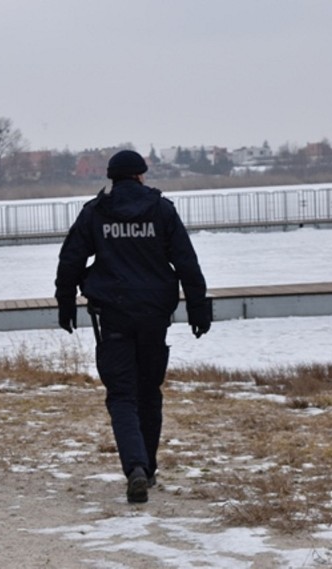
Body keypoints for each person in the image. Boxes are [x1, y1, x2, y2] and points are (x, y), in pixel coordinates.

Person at [54, 150, 211, 504]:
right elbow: (187, 262)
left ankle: (135, 468)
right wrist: (199, 309)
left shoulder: (96, 212)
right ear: (140, 175)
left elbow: (70, 260)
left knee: (122, 395)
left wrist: (66, 303)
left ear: (112, 177)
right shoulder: (162, 210)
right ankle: (149, 469)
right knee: (149, 391)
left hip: (113, 316)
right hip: (155, 316)